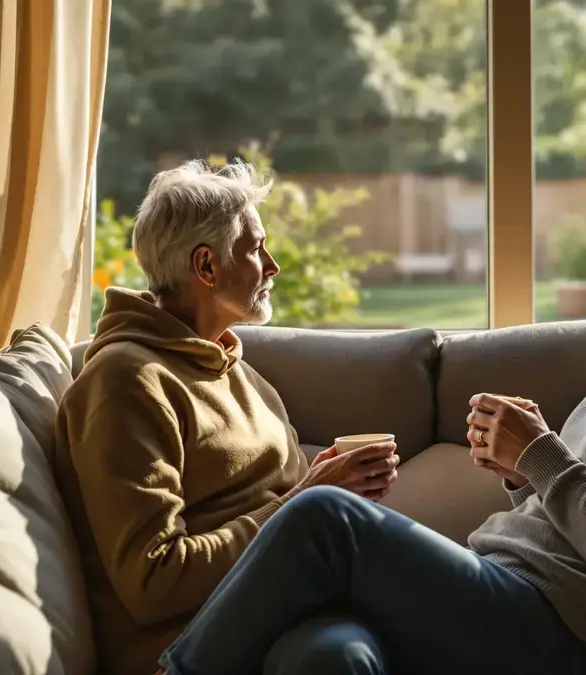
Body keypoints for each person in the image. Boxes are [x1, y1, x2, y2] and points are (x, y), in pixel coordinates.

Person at [153, 167, 586, 675]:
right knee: (323, 653)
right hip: (505, 596)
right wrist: (524, 471)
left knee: (327, 519)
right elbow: (585, 508)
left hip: (564, 636)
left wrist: (544, 456)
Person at [51, 160, 400, 675]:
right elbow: (153, 582)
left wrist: (322, 483)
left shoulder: (230, 366)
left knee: (351, 648)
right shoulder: (126, 382)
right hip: (189, 647)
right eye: (256, 249)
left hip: (283, 613)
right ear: (207, 267)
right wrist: (304, 507)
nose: (273, 266)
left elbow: (271, 506)